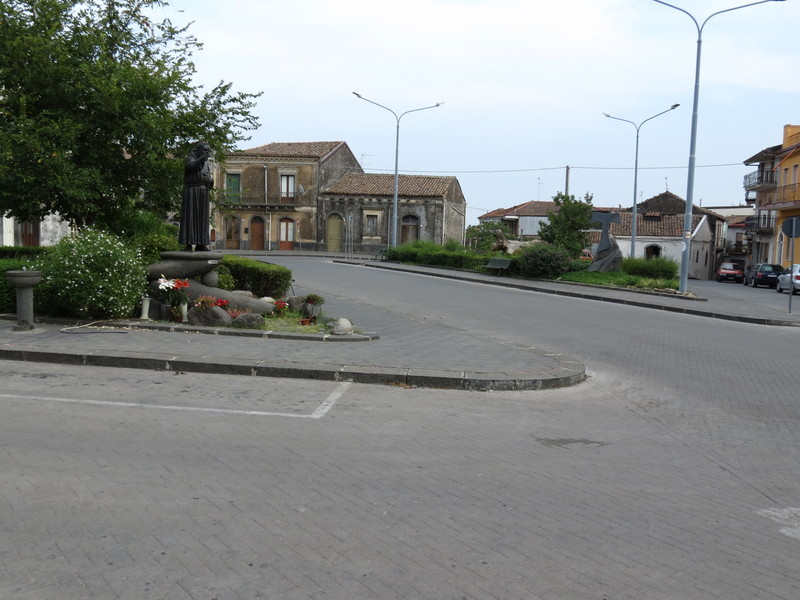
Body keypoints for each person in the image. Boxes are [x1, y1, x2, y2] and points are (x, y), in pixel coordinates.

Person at [179, 142, 213, 251]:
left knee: (202, 220)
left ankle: (201, 244)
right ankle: (188, 244)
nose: (206, 153)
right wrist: (201, 159)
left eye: (208, 151)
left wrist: (210, 180)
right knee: (190, 218)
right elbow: (191, 166)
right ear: (198, 150)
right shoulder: (190, 158)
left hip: (203, 193)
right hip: (192, 192)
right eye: (204, 150)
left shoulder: (206, 163)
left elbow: (209, 177)